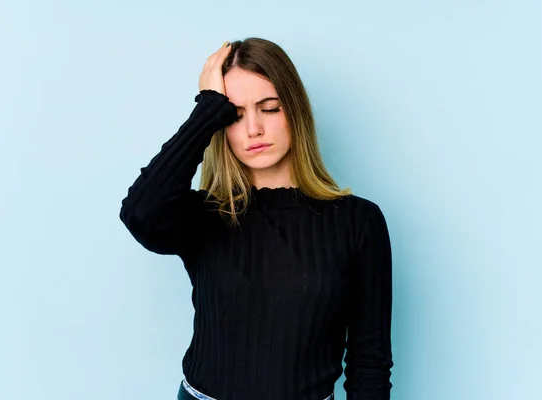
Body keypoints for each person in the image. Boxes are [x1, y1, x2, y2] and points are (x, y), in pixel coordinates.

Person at [119, 37, 393, 400]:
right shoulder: (203, 215)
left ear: (295, 111)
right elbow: (139, 212)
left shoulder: (359, 221)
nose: (253, 130)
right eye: (234, 114)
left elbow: (369, 362)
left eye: (269, 108)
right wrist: (206, 110)